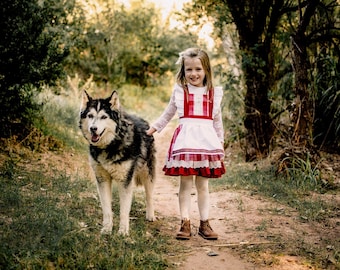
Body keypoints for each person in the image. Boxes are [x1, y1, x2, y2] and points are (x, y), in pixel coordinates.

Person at [146, 48, 225, 240]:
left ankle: (204, 223)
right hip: (186, 141)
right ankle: (185, 222)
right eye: (189, 70)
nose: (193, 74)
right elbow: (168, 114)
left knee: (203, 185)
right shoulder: (181, 91)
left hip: (206, 143)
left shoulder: (214, 93)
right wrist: (152, 129)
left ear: (206, 69)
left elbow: (217, 122)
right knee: (186, 183)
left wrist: (220, 144)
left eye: (198, 69)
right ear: (183, 71)